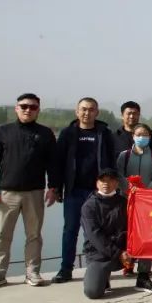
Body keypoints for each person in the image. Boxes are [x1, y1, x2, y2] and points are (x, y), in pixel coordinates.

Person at [0, 93, 59, 289]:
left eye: (33, 107)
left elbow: (53, 164)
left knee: (34, 235)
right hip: (7, 193)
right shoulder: (3, 132)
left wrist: (53, 188)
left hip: (35, 192)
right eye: (24, 106)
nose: (28, 110)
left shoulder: (45, 134)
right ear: (16, 108)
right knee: (2, 235)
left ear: (38, 110)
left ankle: (32, 272)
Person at [53, 97, 116, 284]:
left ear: (97, 112)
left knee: (98, 233)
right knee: (70, 231)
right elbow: (58, 162)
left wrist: (111, 185)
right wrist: (56, 187)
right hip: (74, 191)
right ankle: (66, 269)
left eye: (91, 109)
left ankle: (99, 271)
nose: (87, 113)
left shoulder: (104, 133)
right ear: (77, 111)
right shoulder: (68, 133)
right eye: (83, 109)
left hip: (97, 193)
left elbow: (111, 161)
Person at [81, 168, 152, 298]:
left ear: (117, 183)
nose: (106, 183)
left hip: (125, 253)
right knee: (93, 292)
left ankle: (143, 278)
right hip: (100, 255)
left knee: (145, 236)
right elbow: (95, 236)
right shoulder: (89, 206)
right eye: (102, 180)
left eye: (110, 180)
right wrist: (119, 253)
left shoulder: (124, 202)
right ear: (97, 183)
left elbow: (137, 226)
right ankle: (103, 277)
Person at [115, 122, 152, 276]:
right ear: (133, 136)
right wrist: (129, 189)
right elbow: (119, 175)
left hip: (148, 201)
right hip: (127, 199)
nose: (142, 137)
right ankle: (128, 264)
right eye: (139, 134)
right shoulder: (124, 155)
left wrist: (147, 191)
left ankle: (144, 270)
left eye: (145, 135)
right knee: (127, 232)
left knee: (146, 234)